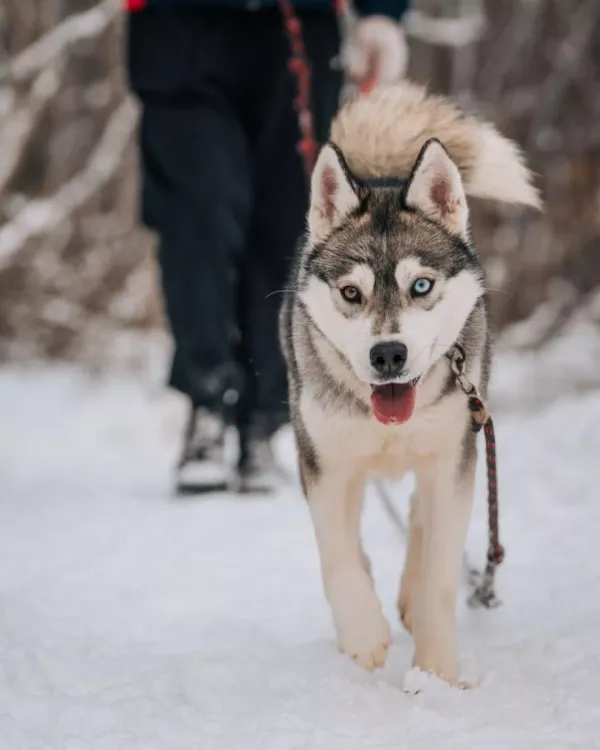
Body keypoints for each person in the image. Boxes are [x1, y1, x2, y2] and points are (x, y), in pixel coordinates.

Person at [124, 0, 410, 494]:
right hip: (177, 30)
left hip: (298, 30)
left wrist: (380, 11)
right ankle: (209, 398)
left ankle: (262, 418)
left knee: (286, 221)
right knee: (199, 208)